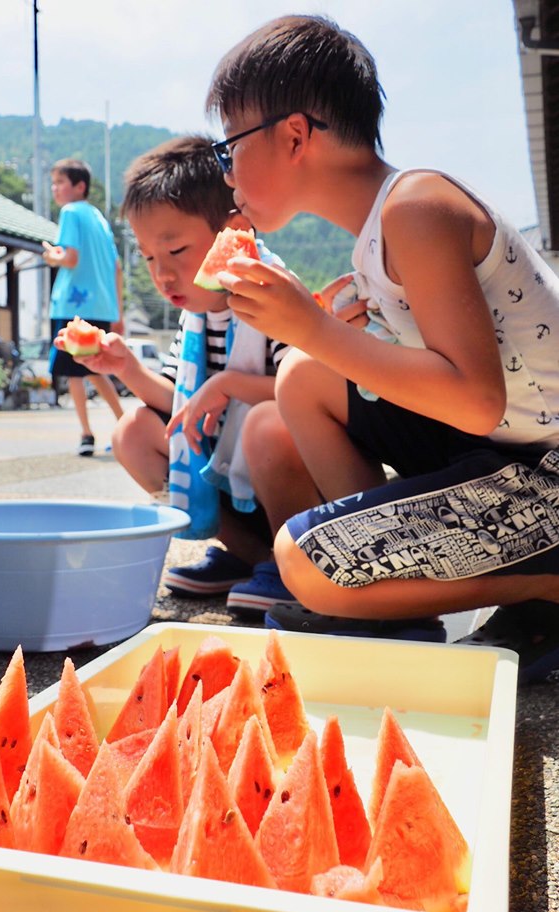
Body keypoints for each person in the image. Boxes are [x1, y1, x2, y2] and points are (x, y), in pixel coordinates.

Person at [205, 14, 559, 682]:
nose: (226, 175)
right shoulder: (376, 231)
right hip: (500, 453)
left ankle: (545, 585)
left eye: (229, 150)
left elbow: (476, 399)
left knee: (301, 561)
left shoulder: (415, 208)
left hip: (545, 472)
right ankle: (383, 593)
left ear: (292, 135)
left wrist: (319, 333)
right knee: (303, 377)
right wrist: (326, 340)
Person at [77, 136, 294, 614]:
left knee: (267, 424)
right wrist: (126, 368)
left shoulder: (274, 297)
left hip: (290, 483)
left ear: (234, 232)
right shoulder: (195, 315)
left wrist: (230, 384)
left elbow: (308, 392)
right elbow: (178, 400)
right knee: (131, 430)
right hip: (230, 479)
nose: (162, 274)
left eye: (176, 249)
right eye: (150, 258)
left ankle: (291, 561)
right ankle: (252, 558)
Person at [43, 158, 124, 456]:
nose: (55, 188)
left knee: (75, 372)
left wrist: (53, 257)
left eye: (60, 182)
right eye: (54, 183)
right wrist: (118, 313)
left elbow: (71, 258)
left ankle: (87, 434)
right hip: (102, 306)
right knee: (95, 369)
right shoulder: (101, 219)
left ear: (80, 186)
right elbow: (117, 268)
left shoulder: (70, 212)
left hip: (72, 304)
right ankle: (125, 424)